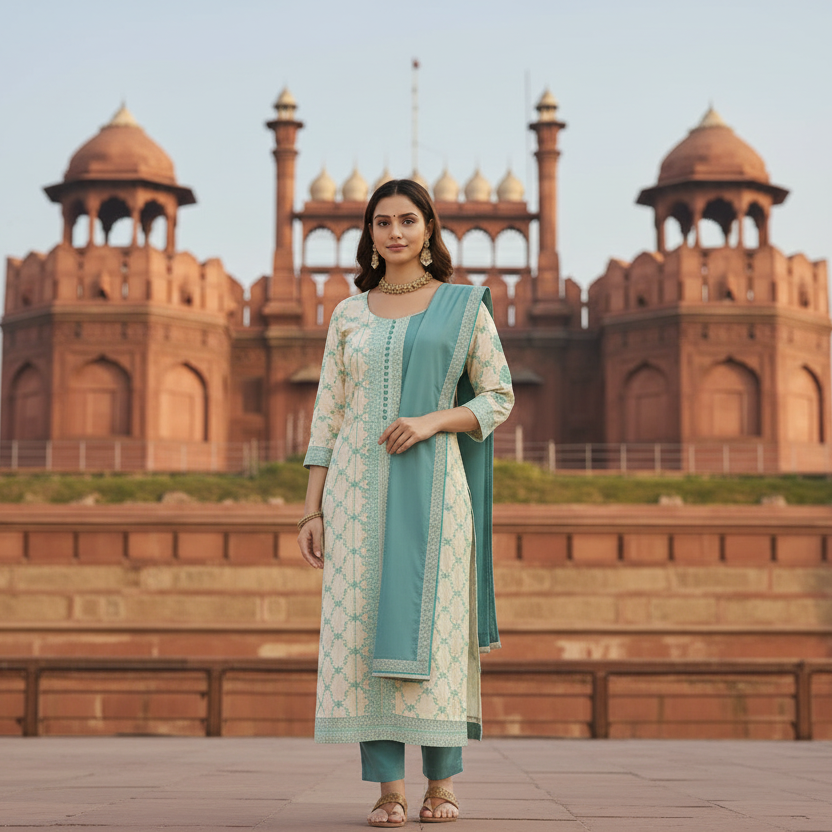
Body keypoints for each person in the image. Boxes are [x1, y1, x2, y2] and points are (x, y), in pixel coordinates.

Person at [297, 179, 514, 827]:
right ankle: (387, 789)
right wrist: (311, 509)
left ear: (429, 229)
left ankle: (441, 785)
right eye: (382, 222)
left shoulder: (463, 306)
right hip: (354, 499)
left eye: (407, 221)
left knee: (437, 635)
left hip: (437, 495)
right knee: (362, 636)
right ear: (368, 233)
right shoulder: (348, 313)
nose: (394, 232)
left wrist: (431, 422)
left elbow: (498, 397)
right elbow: (326, 415)